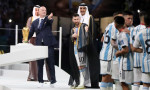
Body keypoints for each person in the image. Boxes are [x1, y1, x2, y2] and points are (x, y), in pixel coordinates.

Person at [28, 6, 57, 87]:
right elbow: (31, 32)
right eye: (42, 10)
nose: (44, 11)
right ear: (39, 12)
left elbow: (49, 20)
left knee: (51, 63)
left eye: (45, 10)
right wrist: (26, 39)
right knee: (40, 64)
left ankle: (53, 81)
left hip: (49, 44)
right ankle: (40, 81)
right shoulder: (34, 22)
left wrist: (49, 17)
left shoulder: (48, 19)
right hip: (39, 45)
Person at [77, 3, 100, 88]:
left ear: (86, 9)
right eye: (81, 8)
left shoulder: (90, 17)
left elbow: (93, 32)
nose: (82, 10)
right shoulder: (77, 18)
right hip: (78, 46)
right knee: (80, 64)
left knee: (88, 64)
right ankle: (82, 82)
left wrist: (90, 44)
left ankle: (89, 82)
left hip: (88, 45)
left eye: (84, 8)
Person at [68, 13, 90, 89]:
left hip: (82, 49)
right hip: (75, 49)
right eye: (75, 19)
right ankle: (78, 81)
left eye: (77, 19)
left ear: (80, 19)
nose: (76, 20)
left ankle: (83, 82)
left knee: (82, 66)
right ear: (72, 20)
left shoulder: (84, 26)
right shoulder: (72, 29)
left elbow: (88, 36)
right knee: (77, 66)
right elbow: (71, 39)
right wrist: (72, 36)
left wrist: (86, 31)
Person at [115, 16, 133, 90]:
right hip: (128, 62)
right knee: (126, 84)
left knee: (124, 84)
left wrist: (118, 53)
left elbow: (126, 50)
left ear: (116, 24)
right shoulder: (125, 33)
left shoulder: (122, 35)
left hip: (125, 63)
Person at [132, 13, 150, 90]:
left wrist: (144, 50)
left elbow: (134, 48)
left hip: (145, 61)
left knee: (145, 83)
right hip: (143, 60)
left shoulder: (138, 32)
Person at [130, 11, 146, 90]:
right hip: (146, 58)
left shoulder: (133, 29)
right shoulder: (147, 29)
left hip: (135, 58)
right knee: (147, 83)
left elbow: (131, 45)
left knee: (136, 82)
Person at [26, 5, 40, 81]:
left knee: (38, 58)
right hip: (31, 39)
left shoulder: (42, 19)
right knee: (31, 58)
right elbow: (27, 29)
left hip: (39, 39)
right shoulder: (30, 19)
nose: (37, 11)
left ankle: (38, 77)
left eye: (38, 10)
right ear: (34, 10)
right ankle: (31, 76)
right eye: (36, 10)